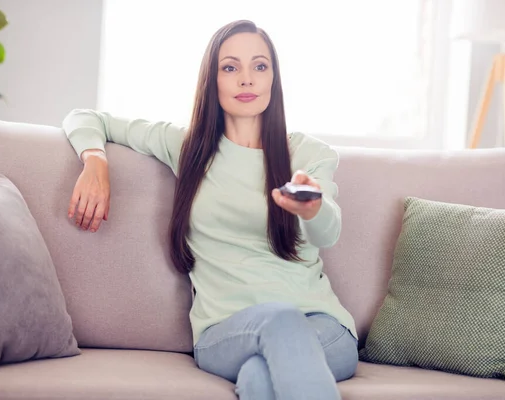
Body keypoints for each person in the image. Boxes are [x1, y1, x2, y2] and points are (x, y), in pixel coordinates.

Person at [63, 19, 358, 400]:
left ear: (273, 79)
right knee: (279, 321)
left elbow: (328, 232)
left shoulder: (308, 154)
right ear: (212, 79)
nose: (247, 79)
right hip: (225, 332)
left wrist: (313, 207)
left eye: (260, 66)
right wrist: (95, 162)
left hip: (324, 329)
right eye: (231, 67)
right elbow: (86, 117)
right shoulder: (186, 148)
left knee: (258, 377)